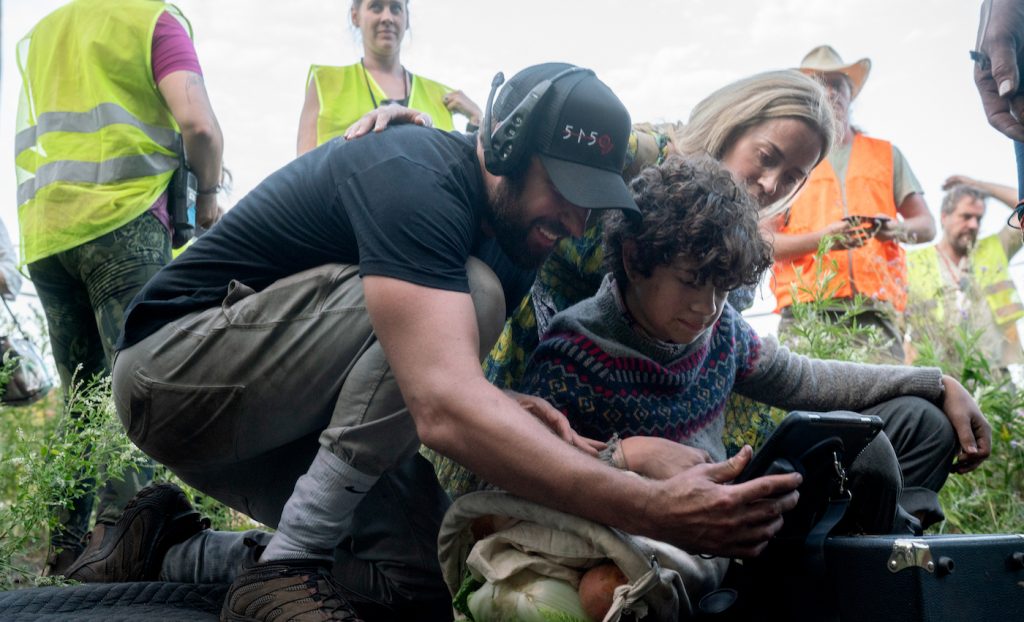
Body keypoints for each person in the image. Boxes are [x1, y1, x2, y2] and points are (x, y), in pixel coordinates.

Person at [64, 63, 801, 621]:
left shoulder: (521, 232)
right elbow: (444, 406)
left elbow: (433, 383)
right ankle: (284, 567)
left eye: (591, 203)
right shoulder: (413, 173)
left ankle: (167, 545)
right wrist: (652, 509)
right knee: (470, 295)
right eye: (566, 190)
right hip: (173, 372)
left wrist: (547, 426)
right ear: (504, 148)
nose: (578, 222)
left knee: (414, 580)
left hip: (285, 410)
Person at [519, 155, 988, 542]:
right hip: (648, 544)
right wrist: (626, 457)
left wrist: (935, 382)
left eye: (722, 289)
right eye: (690, 282)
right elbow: (519, 477)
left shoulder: (720, 329)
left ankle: (878, 554)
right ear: (635, 259)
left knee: (921, 422)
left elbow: (806, 379)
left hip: (740, 517)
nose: (707, 308)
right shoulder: (572, 353)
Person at [14, 0, 223, 576]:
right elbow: (198, 124)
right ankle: (121, 548)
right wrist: (207, 195)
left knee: (80, 402)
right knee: (138, 390)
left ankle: (63, 550)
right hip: (123, 222)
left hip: (48, 233)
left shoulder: (42, 34)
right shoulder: (150, 19)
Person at [769, 45, 936, 364]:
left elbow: (926, 226)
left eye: (837, 84)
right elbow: (764, 241)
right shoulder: (787, 156)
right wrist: (824, 241)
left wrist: (894, 230)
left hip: (875, 316)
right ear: (804, 96)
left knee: (888, 410)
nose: (830, 92)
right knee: (813, 413)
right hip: (806, 317)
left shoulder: (886, 154)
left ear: (850, 94)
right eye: (819, 84)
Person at [296, 0, 482, 155]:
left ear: (406, 18)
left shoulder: (442, 97)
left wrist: (477, 122)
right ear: (355, 16)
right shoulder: (325, 83)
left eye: (395, 8)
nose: (387, 17)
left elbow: (459, 172)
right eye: (376, 6)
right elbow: (301, 174)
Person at [906, 176, 1024, 369]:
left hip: (994, 373)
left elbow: (1023, 206)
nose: (974, 225)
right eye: (966, 216)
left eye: (978, 218)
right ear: (944, 216)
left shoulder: (995, 248)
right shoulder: (914, 262)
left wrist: (979, 185)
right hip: (938, 373)